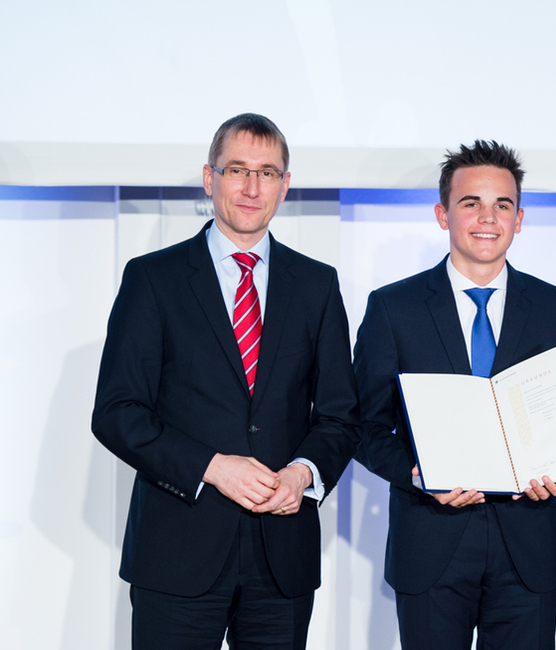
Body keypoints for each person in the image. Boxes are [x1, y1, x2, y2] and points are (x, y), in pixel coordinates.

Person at [91, 113, 360, 649]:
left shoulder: (317, 285)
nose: (251, 186)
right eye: (237, 169)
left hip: (281, 557)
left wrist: (303, 475)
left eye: (267, 172)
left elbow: (339, 414)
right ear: (210, 178)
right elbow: (117, 412)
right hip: (176, 555)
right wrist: (212, 468)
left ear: (285, 186)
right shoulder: (153, 279)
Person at [354, 140, 556, 650]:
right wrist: (417, 475)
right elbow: (362, 426)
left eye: (502, 205)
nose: (487, 217)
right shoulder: (394, 308)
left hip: (528, 544)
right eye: (470, 203)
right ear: (443, 214)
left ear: (519, 219)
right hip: (430, 541)